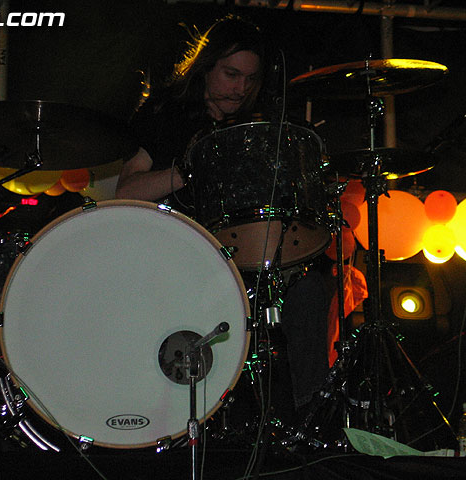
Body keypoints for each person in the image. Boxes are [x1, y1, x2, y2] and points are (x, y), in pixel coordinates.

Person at [115, 14, 333, 426]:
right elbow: (126, 192)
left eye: (250, 79)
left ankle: (311, 421)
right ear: (205, 67)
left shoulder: (263, 120)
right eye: (231, 75)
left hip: (253, 256)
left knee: (309, 288)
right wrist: (186, 170)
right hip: (181, 256)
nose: (241, 88)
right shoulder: (166, 112)